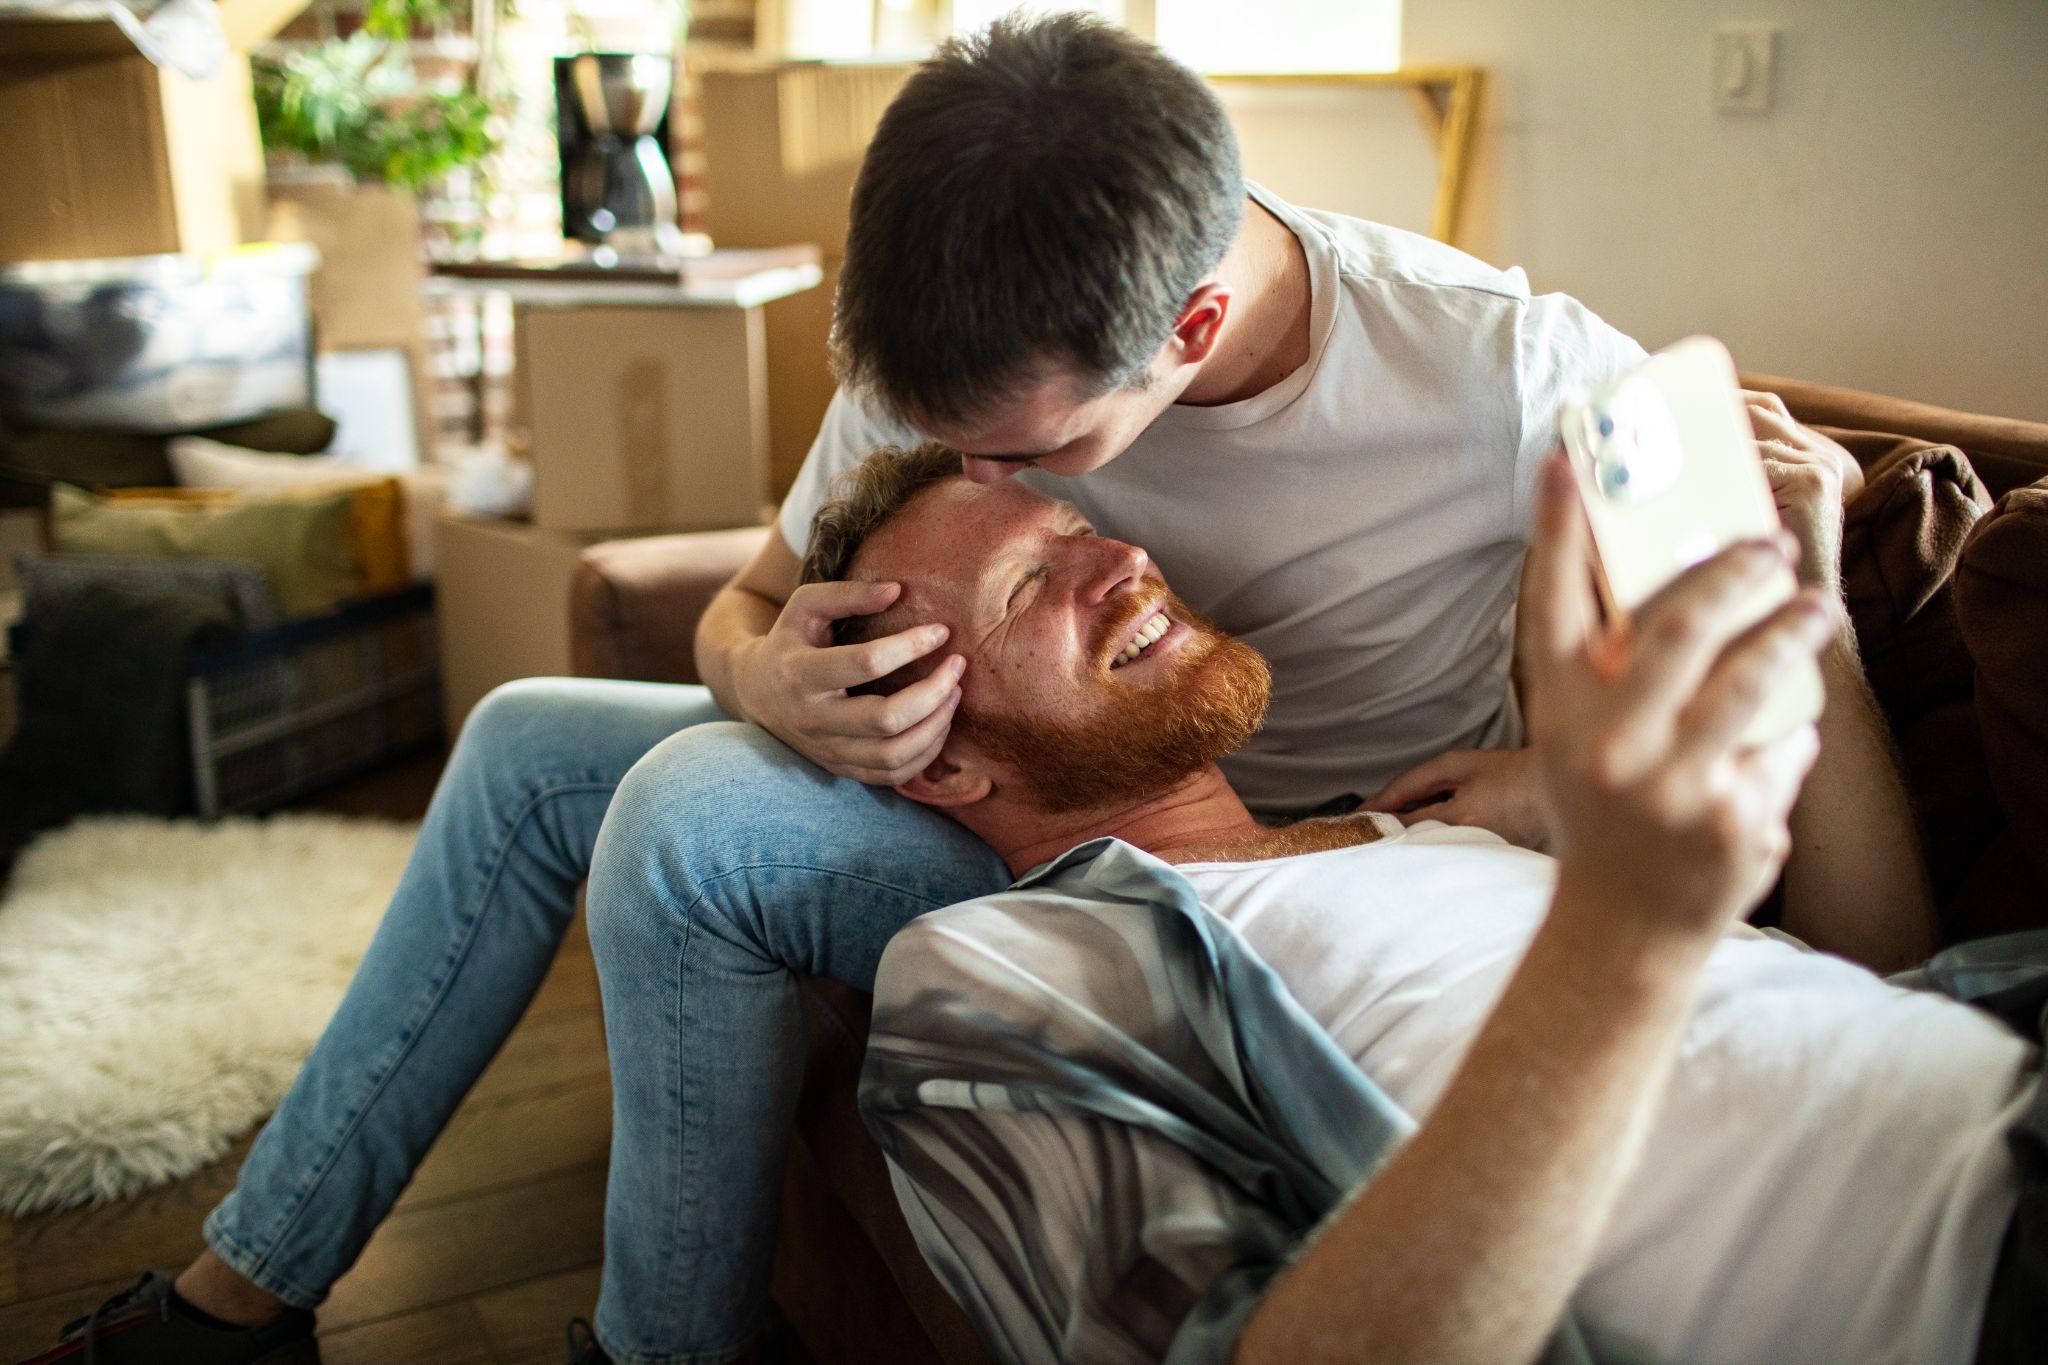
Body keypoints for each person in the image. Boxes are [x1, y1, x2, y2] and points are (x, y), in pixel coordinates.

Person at [15, 13, 1873, 1365]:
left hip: (1248, 868)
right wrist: (772, 683)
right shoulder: (961, 336)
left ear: (1191, 331)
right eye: (937, 437)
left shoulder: (1517, 380)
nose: (983, 476)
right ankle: (233, 1305)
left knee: (681, 823)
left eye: (1032, 450)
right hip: (1001, 794)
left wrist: (1542, 785)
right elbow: (752, 602)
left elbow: (1730, 728)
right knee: (519, 741)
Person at [750, 441, 2032, 1365]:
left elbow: (1880, 978)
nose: (1122, 560)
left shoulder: (1449, 816)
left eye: (1077, 531)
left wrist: (1806, 619)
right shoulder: (1002, 967)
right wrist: (1623, 933)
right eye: (1027, 588)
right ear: (948, 761)